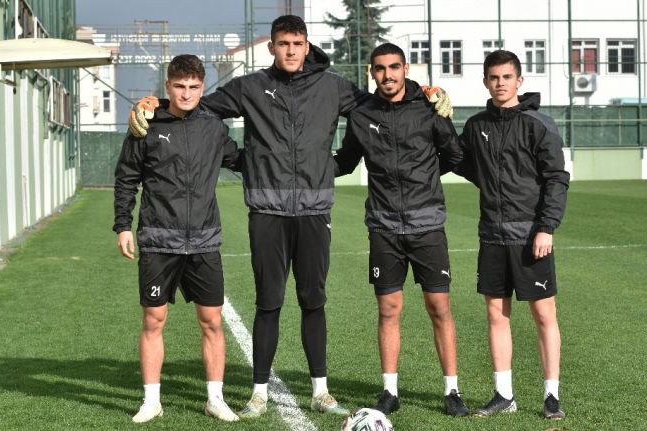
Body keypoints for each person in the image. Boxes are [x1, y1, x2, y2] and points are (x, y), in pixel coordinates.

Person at [126, 15, 453, 418]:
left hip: (315, 212)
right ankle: (258, 393)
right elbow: (196, 105)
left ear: (307, 46)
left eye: (298, 44)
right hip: (267, 212)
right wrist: (154, 105)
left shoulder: (333, 86)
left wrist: (428, 93)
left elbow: (384, 100)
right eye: (284, 44)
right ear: (273, 47)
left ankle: (321, 392)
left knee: (313, 300)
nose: (291, 51)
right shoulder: (250, 87)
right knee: (269, 302)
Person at [333, 43, 468, 417]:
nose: (387, 75)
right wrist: (306, 168)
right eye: (380, 68)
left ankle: (452, 391)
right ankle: (389, 391)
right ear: (371, 72)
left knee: (439, 306)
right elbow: (346, 160)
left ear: (405, 69)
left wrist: (423, 175)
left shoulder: (428, 106)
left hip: (427, 224)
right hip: (384, 226)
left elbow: (454, 154)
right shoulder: (362, 114)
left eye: (394, 67)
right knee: (389, 308)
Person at [113, 54, 241, 423]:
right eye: (180, 86)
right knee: (154, 320)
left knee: (212, 321)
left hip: (204, 241)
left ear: (202, 87)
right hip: (158, 240)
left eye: (194, 87)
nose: (186, 94)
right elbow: (126, 177)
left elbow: (242, 160)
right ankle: (151, 401)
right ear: (167, 86)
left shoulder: (213, 128)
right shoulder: (145, 125)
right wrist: (123, 225)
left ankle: (215, 399)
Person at [455, 50, 569, 420]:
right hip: (492, 234)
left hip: (531, 235)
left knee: (543, 314)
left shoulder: (539, 124)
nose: (500, 83)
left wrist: (546, 227)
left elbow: (556, 179)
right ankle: (504, 394)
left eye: (506, 77)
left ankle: (551, 396)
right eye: (494, 77)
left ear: (519, 80)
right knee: (496, 314)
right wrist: (436, 120)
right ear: (485, 82)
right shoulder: (476, 126)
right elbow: (460, 161)